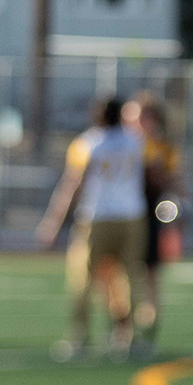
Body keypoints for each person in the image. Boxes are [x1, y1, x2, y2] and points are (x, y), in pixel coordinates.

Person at [37, 96, 153, 361]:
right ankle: (129, 336)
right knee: (130, 277)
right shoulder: (136, 140)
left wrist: (53, 222)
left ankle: (80, 336)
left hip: (97, 216)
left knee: (82, 280)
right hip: (132, 216)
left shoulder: (88, 143)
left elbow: (72, 184)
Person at [127, 92, 182, 353]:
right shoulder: (121, 144)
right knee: (119, 275)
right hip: (122, 216)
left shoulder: (162, 148)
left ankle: (148, 330)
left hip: (147, 217)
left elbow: (175, 184)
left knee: (149, 274)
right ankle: (123, 329)